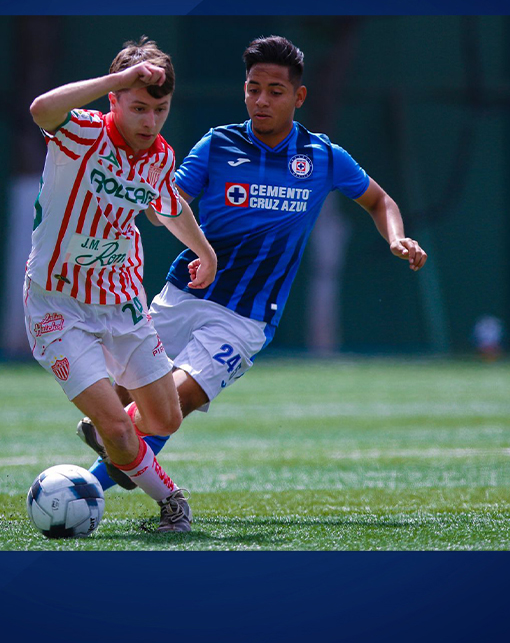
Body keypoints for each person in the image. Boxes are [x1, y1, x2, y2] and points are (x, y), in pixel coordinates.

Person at [77, 35, 427, 491]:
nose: (260, 100)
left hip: (245, 319)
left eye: (274, 91)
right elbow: (169, 203)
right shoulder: (217, 145)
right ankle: (124, 446)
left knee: (169, 405)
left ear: (298, 97)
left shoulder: (321, 157)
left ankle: (86, 488)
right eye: (252, 88)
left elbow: (379, 200)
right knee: (120, 402)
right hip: (183, 295)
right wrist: (155, 204)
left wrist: (398, 238)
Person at [25, 37, 217, 531]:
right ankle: (172, 503)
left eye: (160, 109)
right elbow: (41, 108)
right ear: (114, 100)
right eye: (138, 107)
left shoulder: (158, 156)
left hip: (121, 303)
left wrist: (205, 251)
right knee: (119, 428)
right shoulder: (83, 132)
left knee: (166, 420)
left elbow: (167, 205)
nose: (149, 121)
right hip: (57, 308)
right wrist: (118, 78)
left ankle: (114, 439)